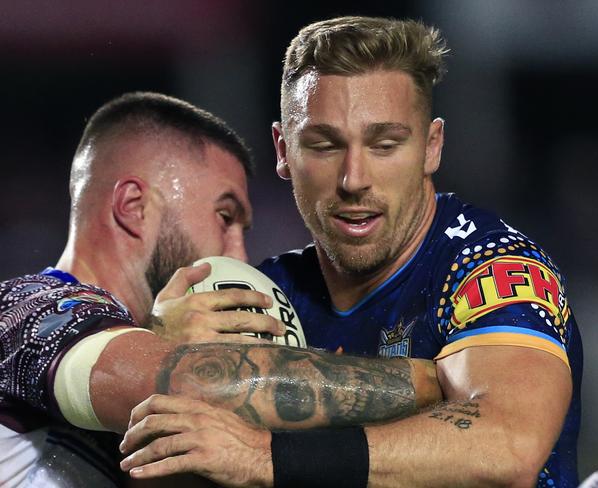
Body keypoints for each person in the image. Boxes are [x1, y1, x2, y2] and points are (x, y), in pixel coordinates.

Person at [120, 16, 583, 488]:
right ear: (283, 150)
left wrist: (263, 457)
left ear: (431, 146)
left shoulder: (491, 267)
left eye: (385, 145)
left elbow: (507, 444)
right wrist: (162, 357)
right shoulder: (261, 296)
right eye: (324, 145)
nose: (353, 178)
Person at [0, 91, 441, 487]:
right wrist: (437, 381)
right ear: (133, 207)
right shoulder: (24, 308)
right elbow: (194, 383)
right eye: (225, 216)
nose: (240, 252)